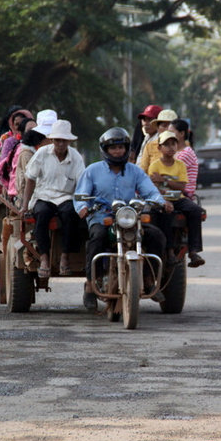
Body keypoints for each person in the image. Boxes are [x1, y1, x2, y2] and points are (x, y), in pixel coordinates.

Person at [74, 127, 172, 309]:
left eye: (121, 147)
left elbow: (149, 190)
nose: (118, 151)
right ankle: (89, 286)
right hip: (102, 216)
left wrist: (161, 201)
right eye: (113, 148)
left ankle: (149, 278)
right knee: (97, 238)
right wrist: (83, 207)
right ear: (105, 150)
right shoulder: (92, 170)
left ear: (127, 149)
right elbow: (80, 194)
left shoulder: (135, 171)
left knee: (156, 236)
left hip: (129, 217)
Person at [21, 120, 85, 278]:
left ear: (69, 141)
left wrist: (83, 204)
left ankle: (65, 257)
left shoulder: (76, 157)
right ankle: (44, 258)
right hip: (44, 195)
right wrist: (25, 205)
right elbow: (30, 179)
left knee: (71, 214)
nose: (61, 144)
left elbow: (82, 182)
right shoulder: (42, 153)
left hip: (66, 196)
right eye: (57, 140)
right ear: (52, 140)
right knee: (41, 213)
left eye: (64, 140)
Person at [148, 131, 205, 268]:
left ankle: (193, 251)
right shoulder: (154, 165)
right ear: (159, 148)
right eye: (166, 144)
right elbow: (154, 188)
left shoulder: (180, 165)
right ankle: (170, 251)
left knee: (196, 210)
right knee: (167, 214)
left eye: (173, 144)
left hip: (178, 198)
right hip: (161, 199)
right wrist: (167, 188)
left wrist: (163, 180)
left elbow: (181, 187)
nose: (170, 147)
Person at [11, 109, 57, 203]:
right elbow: (31, 181)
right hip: (33, 198)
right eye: (50, 138)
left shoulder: (58, 151)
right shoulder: (27, 153)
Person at [0, 107, 33, 191]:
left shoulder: (36, 140)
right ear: (12, 125)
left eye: (22, 123)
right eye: (16, 124)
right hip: (13, 184)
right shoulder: (9, 141)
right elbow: (2, 166)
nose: (19, 127)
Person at [169, 119, 198, 198]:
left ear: (181, 133)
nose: (168, 135)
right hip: (173, 190)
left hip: (183, 193)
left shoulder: (186, 153)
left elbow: (170, 174)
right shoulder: (174, 152)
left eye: (171, 132)